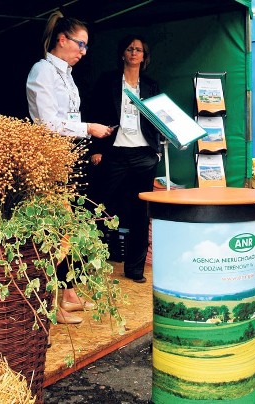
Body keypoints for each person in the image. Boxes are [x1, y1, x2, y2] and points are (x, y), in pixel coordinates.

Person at [26, 11, 114, 324]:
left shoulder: (66, 74)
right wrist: (88, 127)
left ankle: (70, 292)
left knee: (72, 226)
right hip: (51, 158)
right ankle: (51, 303)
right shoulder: (43, 72)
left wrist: (87, 130)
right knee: (55, 230)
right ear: (62, 40)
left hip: (70, 155)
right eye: (80, 44)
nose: (83, 51)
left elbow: (69, 118)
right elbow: (49, 123)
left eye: (86, 46)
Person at [88, 35, 161, 284]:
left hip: (143, 154)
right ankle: (88, 263)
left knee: (139, 212)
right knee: (97, 207)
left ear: (144, 56)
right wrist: (96, 149)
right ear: (123, 53)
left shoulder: (151, 86)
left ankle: (135, 269)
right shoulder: (108, 81)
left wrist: (157, 151)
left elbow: (160, 118)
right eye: (129, 48)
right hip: (114, 152)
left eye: (138, 49)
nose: (133, 52)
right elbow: (94, 112)